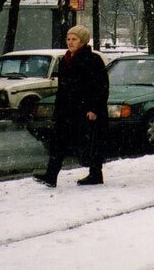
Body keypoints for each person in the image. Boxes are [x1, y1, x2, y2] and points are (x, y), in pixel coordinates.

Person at [34, 25, 109, 187]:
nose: (70, 42)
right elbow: (62, 88)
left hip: (85, 109)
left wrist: (93, 109)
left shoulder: (93, 60)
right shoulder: (65, 60)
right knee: (58, 141)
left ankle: (95, 174)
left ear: (83, 41)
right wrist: (58, 109)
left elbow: (100, 86)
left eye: (74, 39)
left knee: (91, 142)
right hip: (67, 109)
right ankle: (51, 175)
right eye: (68, 39)